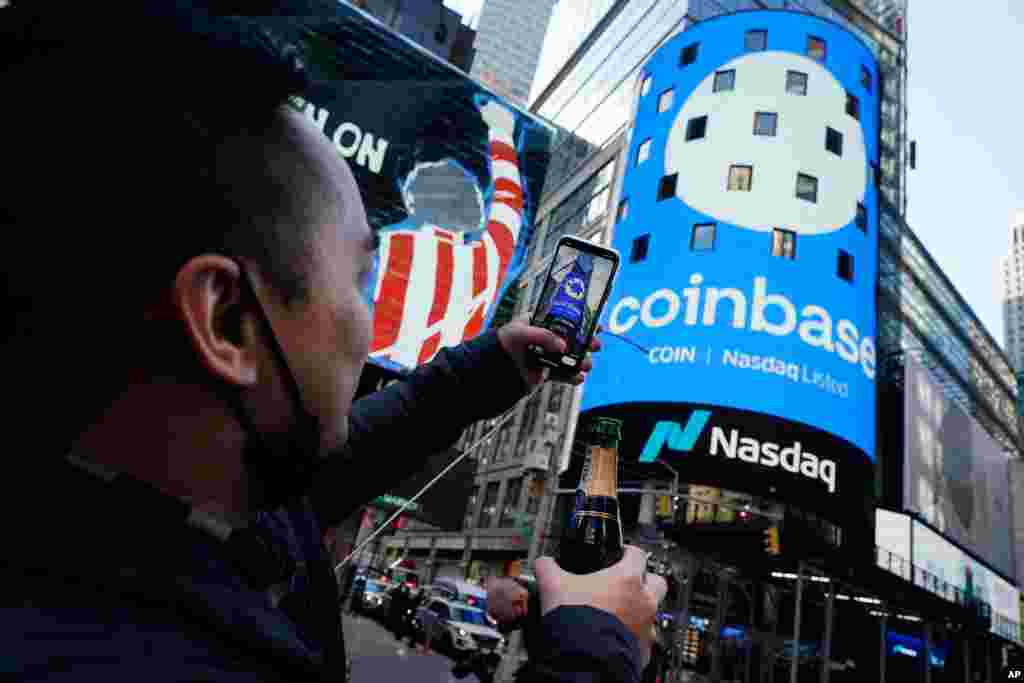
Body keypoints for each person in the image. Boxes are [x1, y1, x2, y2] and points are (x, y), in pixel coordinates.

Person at [1, 3, 667, 683]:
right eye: (359, 277)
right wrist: (594, 652)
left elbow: (361, 445)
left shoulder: (189, 501)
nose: (368, 320)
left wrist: (491, 367)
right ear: (228, 319)